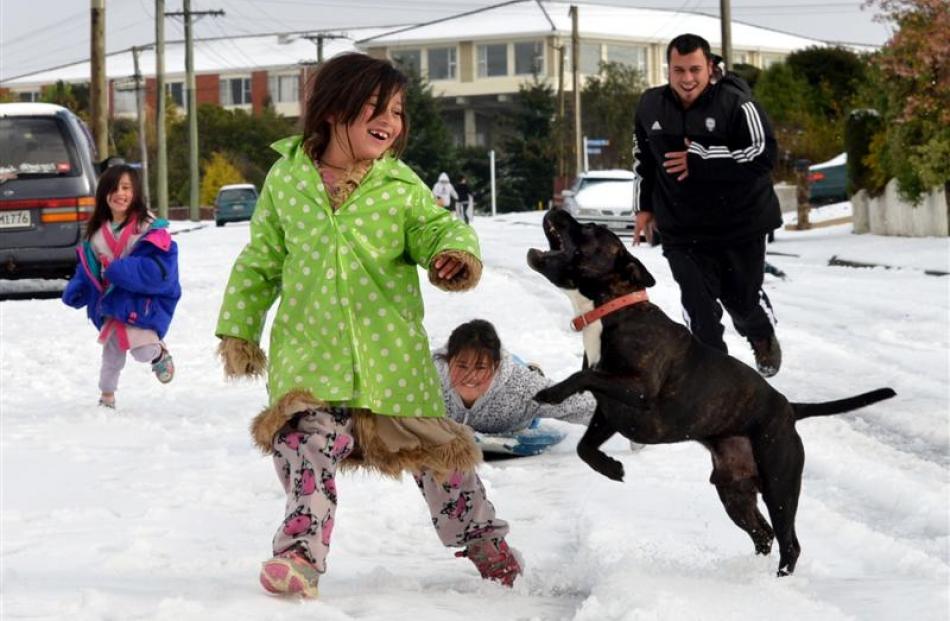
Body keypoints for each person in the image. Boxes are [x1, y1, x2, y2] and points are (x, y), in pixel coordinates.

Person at [214, 53, 521, 599]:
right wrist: (239, 330)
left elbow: (436, 227)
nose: (389, 121)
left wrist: (452, 254)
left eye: (398, 111)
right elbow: (261, 260)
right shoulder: (286, 181)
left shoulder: (400, 186)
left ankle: (485, 545)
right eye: (375, 108)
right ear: (334, 110)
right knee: (304, 450)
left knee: (443, 461)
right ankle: (298, 559)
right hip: (310, 359)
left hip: (391, 363)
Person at [632, 33, 783, 377]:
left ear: (710, 67)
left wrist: (701, 158)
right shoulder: (649, 105)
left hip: (740, 225)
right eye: (679, 70)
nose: (687, 79)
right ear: (668, 69)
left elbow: (763, 155)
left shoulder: (738, 104)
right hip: (682, 229)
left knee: (741, 299)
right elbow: (644, 159)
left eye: (695, 70)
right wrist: (644, 206)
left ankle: (761, 334)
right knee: (698, 306)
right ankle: (717, 379)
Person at [62, 164, 180, 408]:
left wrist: (119, 270)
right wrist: (78, 287)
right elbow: (89, 268)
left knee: (142, 352)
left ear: (136, 192)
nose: (120, 194)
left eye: (126, 188)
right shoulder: (96, 235)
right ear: (104, 194)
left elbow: (160, 273)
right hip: (111, 305)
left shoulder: (149, 230)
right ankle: (107, 396)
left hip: (139, 304)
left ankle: (159, 353)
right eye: (114, 188)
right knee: (111, 355)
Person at [433, 319, 595, 433]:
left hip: (515, 397)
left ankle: (533, 371)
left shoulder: (521, 389)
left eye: (480, 367)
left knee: (531, 396)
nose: (469, 376)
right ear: (448, 362)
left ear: (496, 367)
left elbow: (582, 405)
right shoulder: (426, 379)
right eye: (462, 366)